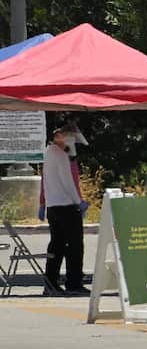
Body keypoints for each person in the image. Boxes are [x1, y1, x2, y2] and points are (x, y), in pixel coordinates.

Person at [38, 124, 90, 295]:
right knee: (75, 246)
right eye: (70, 138)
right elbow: (68, 183)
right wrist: (79, 202)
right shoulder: (59, 155)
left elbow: (47, 181)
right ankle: (74, 283)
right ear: (60, 136)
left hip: (53, 207)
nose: (72, 142)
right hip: (67, 206)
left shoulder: (48, 153)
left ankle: (50, 283)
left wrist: (44, 203)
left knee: (56, 245)